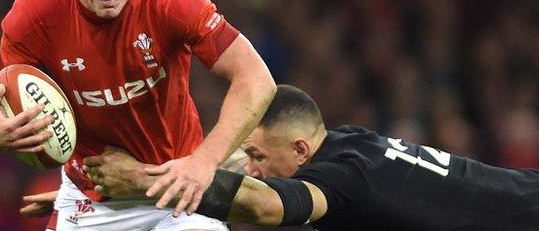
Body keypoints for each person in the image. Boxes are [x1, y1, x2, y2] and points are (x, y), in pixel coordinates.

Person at [0, 0, 276, 231]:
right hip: (92, 199)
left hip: (177, 190)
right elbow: (5, 91)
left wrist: (203, 162)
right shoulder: (35, 12)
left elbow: (256, 78)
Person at [78, 84, 539, 230]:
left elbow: (266, 204)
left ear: (300, 150)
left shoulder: (343, 178)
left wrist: (142, 180)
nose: (253, 166)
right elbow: (236, 169)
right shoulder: (352, 143)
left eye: (258, 153)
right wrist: (111, 204)